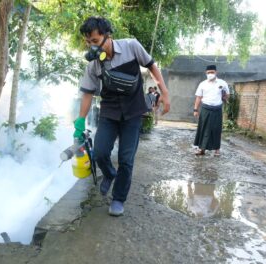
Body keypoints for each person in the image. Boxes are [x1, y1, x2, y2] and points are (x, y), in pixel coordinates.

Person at [73, 17, 170, 216]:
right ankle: (109, 174)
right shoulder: (94, 66)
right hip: (109, 112)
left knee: (126, 159)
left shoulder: (131, 47)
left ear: (108, 36)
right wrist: (80, 120)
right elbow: (88, 93)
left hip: (133, 112)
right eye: (88, 42)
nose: (92, 46)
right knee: (99, 152)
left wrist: (165, 93)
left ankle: (118, 198)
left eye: (94, 41)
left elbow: (152, 66)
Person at [193, 65, 229, 156]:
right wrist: (195, 109)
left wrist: (224, 97)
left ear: (216, 72)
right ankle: (202, 149)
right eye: (208, 72)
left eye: (212, 72)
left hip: (217, 109)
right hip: (205, 109)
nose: (210, 74)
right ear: (206, 73)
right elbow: (198, 97)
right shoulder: (202, 84)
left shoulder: (222, 83)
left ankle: (217, 150)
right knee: (203, 129)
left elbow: (227, 95)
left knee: (216, 129)